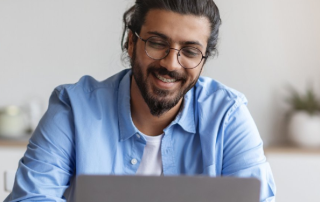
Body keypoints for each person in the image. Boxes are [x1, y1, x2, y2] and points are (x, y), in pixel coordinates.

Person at [5, 0, 276, 201]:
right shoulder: (73, 109)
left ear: (203, 60)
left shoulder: (228, 115)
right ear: (131, 44)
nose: (171, 64)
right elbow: (31, 197)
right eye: (157, 43)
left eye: (190, 51)